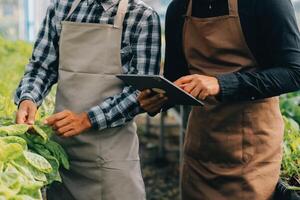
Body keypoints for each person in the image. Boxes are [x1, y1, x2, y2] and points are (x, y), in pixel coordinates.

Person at [138, 0, 300, 199]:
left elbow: (293, 73)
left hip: (252, 152)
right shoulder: (178, 8)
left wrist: (222, 84)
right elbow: (176, 77)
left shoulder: (267, 3)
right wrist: (158, 99)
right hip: (200, 150)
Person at [15, 0, 161, 199]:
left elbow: (140, 92)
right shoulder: (62, 7)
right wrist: (29, 98)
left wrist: (87, 119)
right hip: (63, 156)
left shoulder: (141, 16)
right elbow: (42, 67)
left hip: (111, 160)